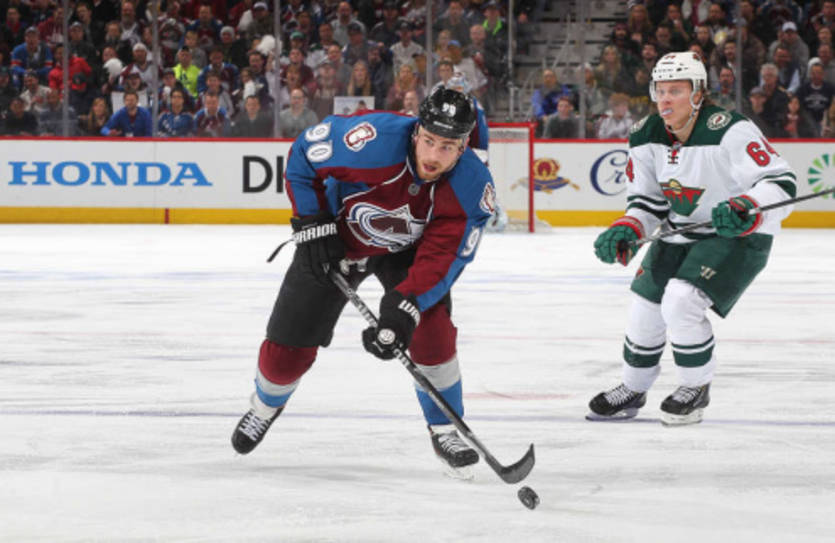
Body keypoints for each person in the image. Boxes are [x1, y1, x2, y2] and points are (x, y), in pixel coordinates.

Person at [230, 87, 494, 478]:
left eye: (447, 147)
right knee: (287, 351)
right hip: (336, 239)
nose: (433, 155)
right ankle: (265, 406)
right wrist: (312, 222)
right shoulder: (373, 141)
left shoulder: (472, 185)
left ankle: (444, 430)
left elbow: (444, 256)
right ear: (417, 131)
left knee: (432, 329)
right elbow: (304, 154)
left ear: (463, 147)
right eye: (429, 141)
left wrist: (406, 305)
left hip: (408, 252)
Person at [587, 52, 796, 426]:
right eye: (660, 90)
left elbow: (781, 182)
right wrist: (629, 228)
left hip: (736, 233)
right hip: (680, 231)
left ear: (698, 93)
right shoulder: (644, 134)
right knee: (645, 305)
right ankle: (633, 387)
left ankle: (695, 387)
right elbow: (647, 202)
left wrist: (748, 206)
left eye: (676, 91)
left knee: (681, 300)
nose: (665, 99)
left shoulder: (731, 129)